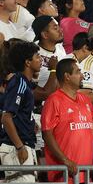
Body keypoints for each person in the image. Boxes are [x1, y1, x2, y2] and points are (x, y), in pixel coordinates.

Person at [41, 58, 93, 183]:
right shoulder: (53, 100)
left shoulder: (85, 100)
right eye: (77, 72)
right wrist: (65, 160)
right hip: (63, 176)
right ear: (67, 77)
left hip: (85, 174)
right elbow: (46, 134)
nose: (82, 75)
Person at [0, 41, 41, 182]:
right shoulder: (19, 82)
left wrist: (30, 123)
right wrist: (19, 146)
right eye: (37, 56)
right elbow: (6, 117)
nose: (41, 60)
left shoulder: (25, 83)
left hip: (21, 145)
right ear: (28, 62)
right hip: (16, 147)